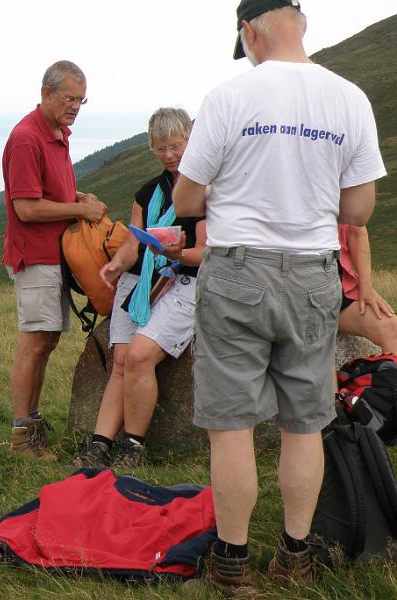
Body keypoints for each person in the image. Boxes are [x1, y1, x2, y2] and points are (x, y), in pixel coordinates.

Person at [173, 1, 386, 595]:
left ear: (249, 32)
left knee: (232, 425)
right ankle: (294, 557)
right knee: (303, 424)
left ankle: (232, 569)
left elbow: (187, 202)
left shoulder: (229, 97)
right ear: (302, 24)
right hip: (314, 274)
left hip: (238, 270)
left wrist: (229, 186)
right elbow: (358, 210)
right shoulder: (349, 98)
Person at [77, 107, 206, 469]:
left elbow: (208, 253)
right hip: (141, 279)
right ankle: (100, 444)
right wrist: (117, 264)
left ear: (190, 140)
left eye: (176, 146)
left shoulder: (205, 191)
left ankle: (134, 446)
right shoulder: (147, 193)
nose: (169, 155)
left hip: (182, 279)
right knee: (121, 360)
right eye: (161, 148)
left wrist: (176, 252)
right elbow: (133, 242)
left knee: (137, 355)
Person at [2, 60, 106, 461]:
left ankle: (31, 425)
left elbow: (50, 194)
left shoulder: (57, 134)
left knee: (46, 340)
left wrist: (78, 200)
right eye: (69, 98)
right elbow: (26, 208)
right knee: (34, 342)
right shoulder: (27, 138)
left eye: (81, 100)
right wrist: (80, 213)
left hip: (55, 255)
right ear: (46, 93)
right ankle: (21, 436)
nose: (76, 107)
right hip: (36, 255)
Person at [338, 224, 397, 353]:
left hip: (338, 285)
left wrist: (366, 287)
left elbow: (356, 231)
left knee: (391, 328)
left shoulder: (343, 203)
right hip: (294, 283)